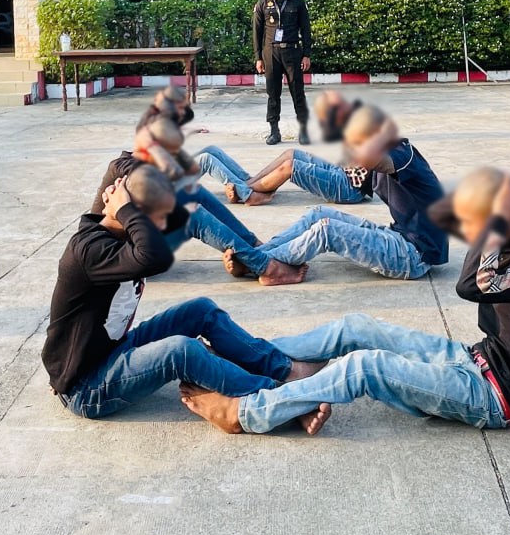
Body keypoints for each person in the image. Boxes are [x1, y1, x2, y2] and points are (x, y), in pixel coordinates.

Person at [179, 167, 510, 436]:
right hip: (474, 359)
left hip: (497, 396)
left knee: (364, 368)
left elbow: (468, 286)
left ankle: (248, 414)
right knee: (357, 327)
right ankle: (251, 357)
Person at [42, 164, 326, 422]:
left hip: (114, 349)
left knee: (201, 311)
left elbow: (129, 165)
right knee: (182, 351)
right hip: (88, 387)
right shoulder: (89, 250)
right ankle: (279, 400)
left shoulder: (121, 235)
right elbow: (155, 257)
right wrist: (126, 208)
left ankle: (284, 369)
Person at [222, 105, 446, 284]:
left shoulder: (402, 156)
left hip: (413, 255)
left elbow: (374, 161)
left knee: (327, 230)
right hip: (398, 235)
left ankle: (259, 264)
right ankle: (259, 253)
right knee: (318, 214)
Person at [90, 119, 304, 283]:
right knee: (191, 214)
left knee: (194, 191)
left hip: (139, 241)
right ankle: (267, 268)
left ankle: (254, 245)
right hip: (125, 256)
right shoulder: (122, 166)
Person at [196, 143, 372, 207]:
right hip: (342, 172)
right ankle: (247, 186)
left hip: (349, 187)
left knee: (290, 166)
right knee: (290, 154)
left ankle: (246, 192)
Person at [253, 0, 311, 146]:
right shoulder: (263, 4)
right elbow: (257, 32)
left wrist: (306, 54)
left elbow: (306, 30)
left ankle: (304, 130)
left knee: (298, 92)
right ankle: (274, 131)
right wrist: (258, 57)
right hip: (271, 53)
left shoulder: (297, 2)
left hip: (292, 51)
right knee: (273, 93)